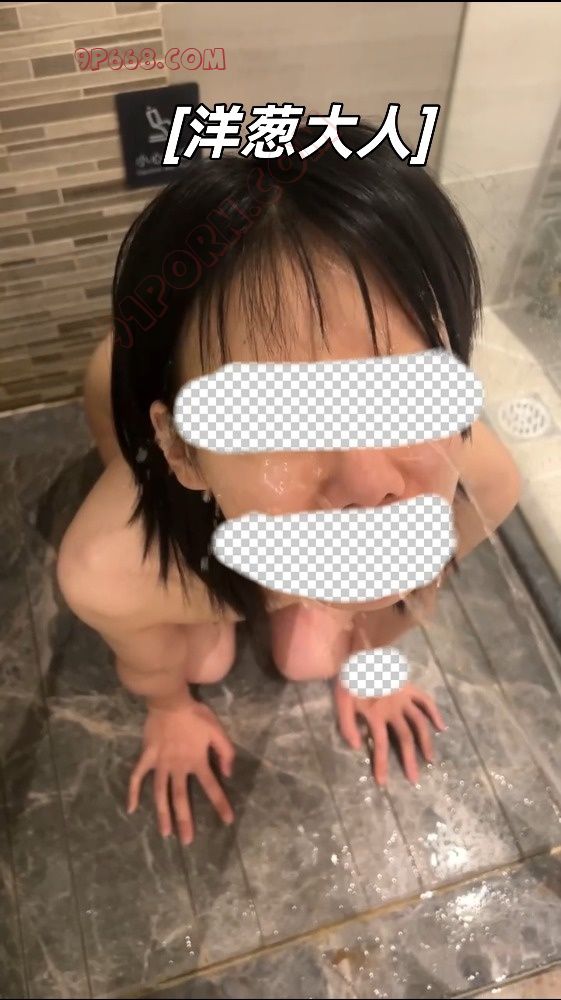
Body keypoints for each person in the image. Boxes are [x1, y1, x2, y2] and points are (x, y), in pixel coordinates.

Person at [57, 123, 522, 846]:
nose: (372, 485)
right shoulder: (113, 567)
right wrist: (170, 709)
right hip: (194, 533)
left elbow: (413, 588)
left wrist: (370, 649)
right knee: (202, 656)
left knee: (311, 655)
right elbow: (144, 656)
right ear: (182, 450)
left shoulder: (481, 479)